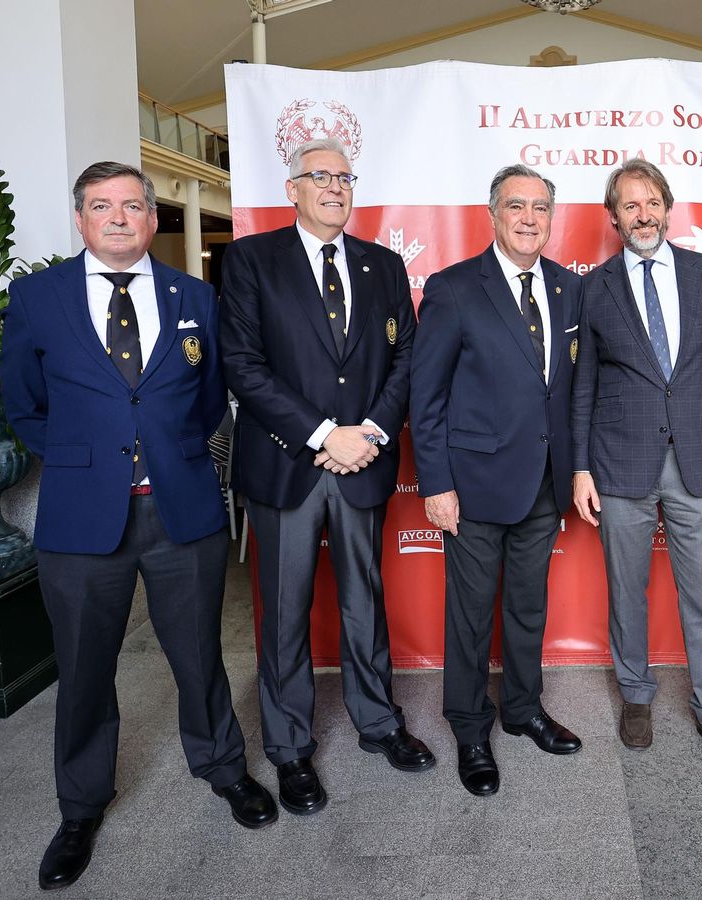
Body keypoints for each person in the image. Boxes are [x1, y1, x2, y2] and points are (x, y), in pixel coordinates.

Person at [1, 161, 276, 892]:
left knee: (199, 655)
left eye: (132, 205)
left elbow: (212, 397)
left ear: (154, 219)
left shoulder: (196, 296)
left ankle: (224, 769)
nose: (119, 218)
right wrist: (85, 460)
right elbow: (24, 404)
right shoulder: (37, 298)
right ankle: (80, 808)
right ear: (81, 220)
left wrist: (172, 451)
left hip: (181, 508)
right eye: (102, 206)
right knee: (84, 668)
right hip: (82, 519)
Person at [219, 138, 432, 816]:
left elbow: (406, 359)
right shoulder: (251, 260)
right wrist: (322, 433)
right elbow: (242, 365)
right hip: (289, 461)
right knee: (284, 611)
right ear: (293, 189)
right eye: (320, 176)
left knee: (364, 600)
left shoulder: (383, 264)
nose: (335, 187)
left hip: (363, 459)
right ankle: (289, 748)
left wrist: (368, 433)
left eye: (344, 177)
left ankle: (378, 722)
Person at [571, 159, 702, 774]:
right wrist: (579, 467)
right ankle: (635, 694)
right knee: (627, 590)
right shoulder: (596, 288)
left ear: (668, 208)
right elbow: (582, 386)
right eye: (630, 205)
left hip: (701, 462)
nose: (643, 214)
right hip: (619, 462)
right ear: (614, 217)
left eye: (652, 202)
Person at [411, 164, 585, 796]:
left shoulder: (568, 288)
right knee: (469, 615)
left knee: (528, 606)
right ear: (493, 214)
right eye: (516, 206)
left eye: (540, 207)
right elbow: (426, 396)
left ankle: (522, 708)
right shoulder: (454, 288)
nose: (529, 218)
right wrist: (436, 484)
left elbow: (570, 388)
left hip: (544, 481)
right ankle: (469, 728)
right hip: (474, 484)